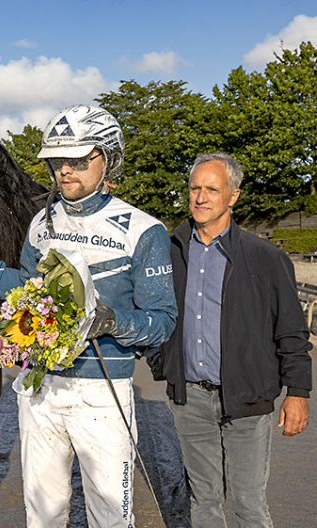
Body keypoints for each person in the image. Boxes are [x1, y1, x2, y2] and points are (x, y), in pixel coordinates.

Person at [0, 105, 177, 528]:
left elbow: (162, 322)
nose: (65, 170)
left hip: (102, 395)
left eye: (79, 160)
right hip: (40, 391)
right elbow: (25, 289)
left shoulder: (145, 231)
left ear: (110, 158)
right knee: (43, 515)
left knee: (111, 518)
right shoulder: (40, 224)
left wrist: (114, 322)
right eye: (56, 161)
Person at [149, 152, 312, 527]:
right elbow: (151, 309)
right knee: (203, 501)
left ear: (233, 196)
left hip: (248, 399)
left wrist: (298, 393)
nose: (200, 197)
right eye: (194, 188)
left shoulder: (266, 258)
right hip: (189, 399)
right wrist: (160, 360)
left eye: (211, 189)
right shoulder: (169, 252)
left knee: (248, 504)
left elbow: (291, 330)